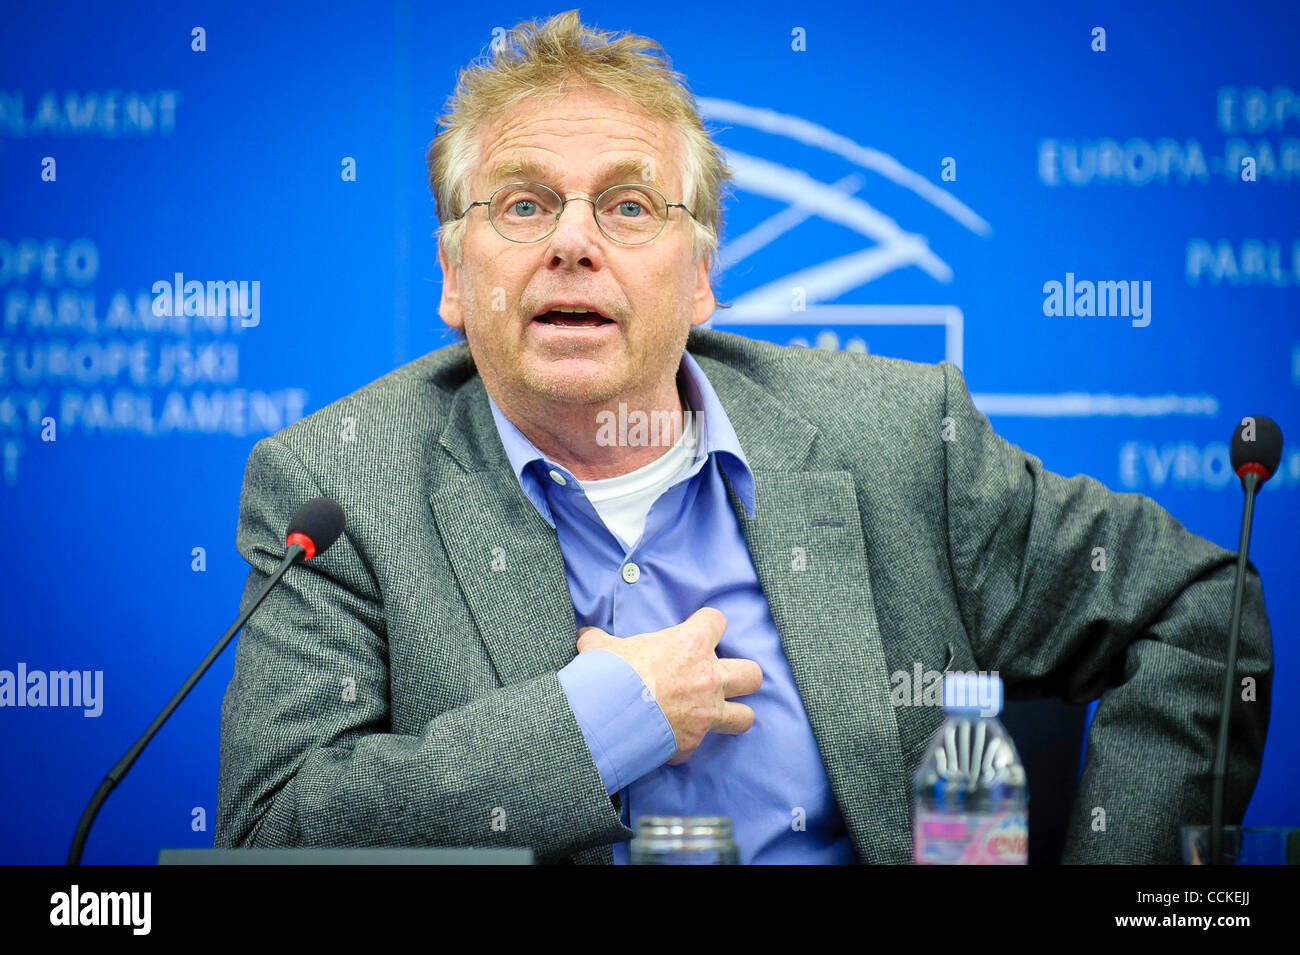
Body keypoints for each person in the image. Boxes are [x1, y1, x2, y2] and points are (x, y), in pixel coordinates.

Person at [215, 10, 1271, 864]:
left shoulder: (898, 439)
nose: (573, 243)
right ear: (453, 274)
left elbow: (1198, 608)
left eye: (629, 207)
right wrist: (595, 722)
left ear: (703, 276)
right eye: (524, 205)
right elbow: (267, 837)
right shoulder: (336, 487)